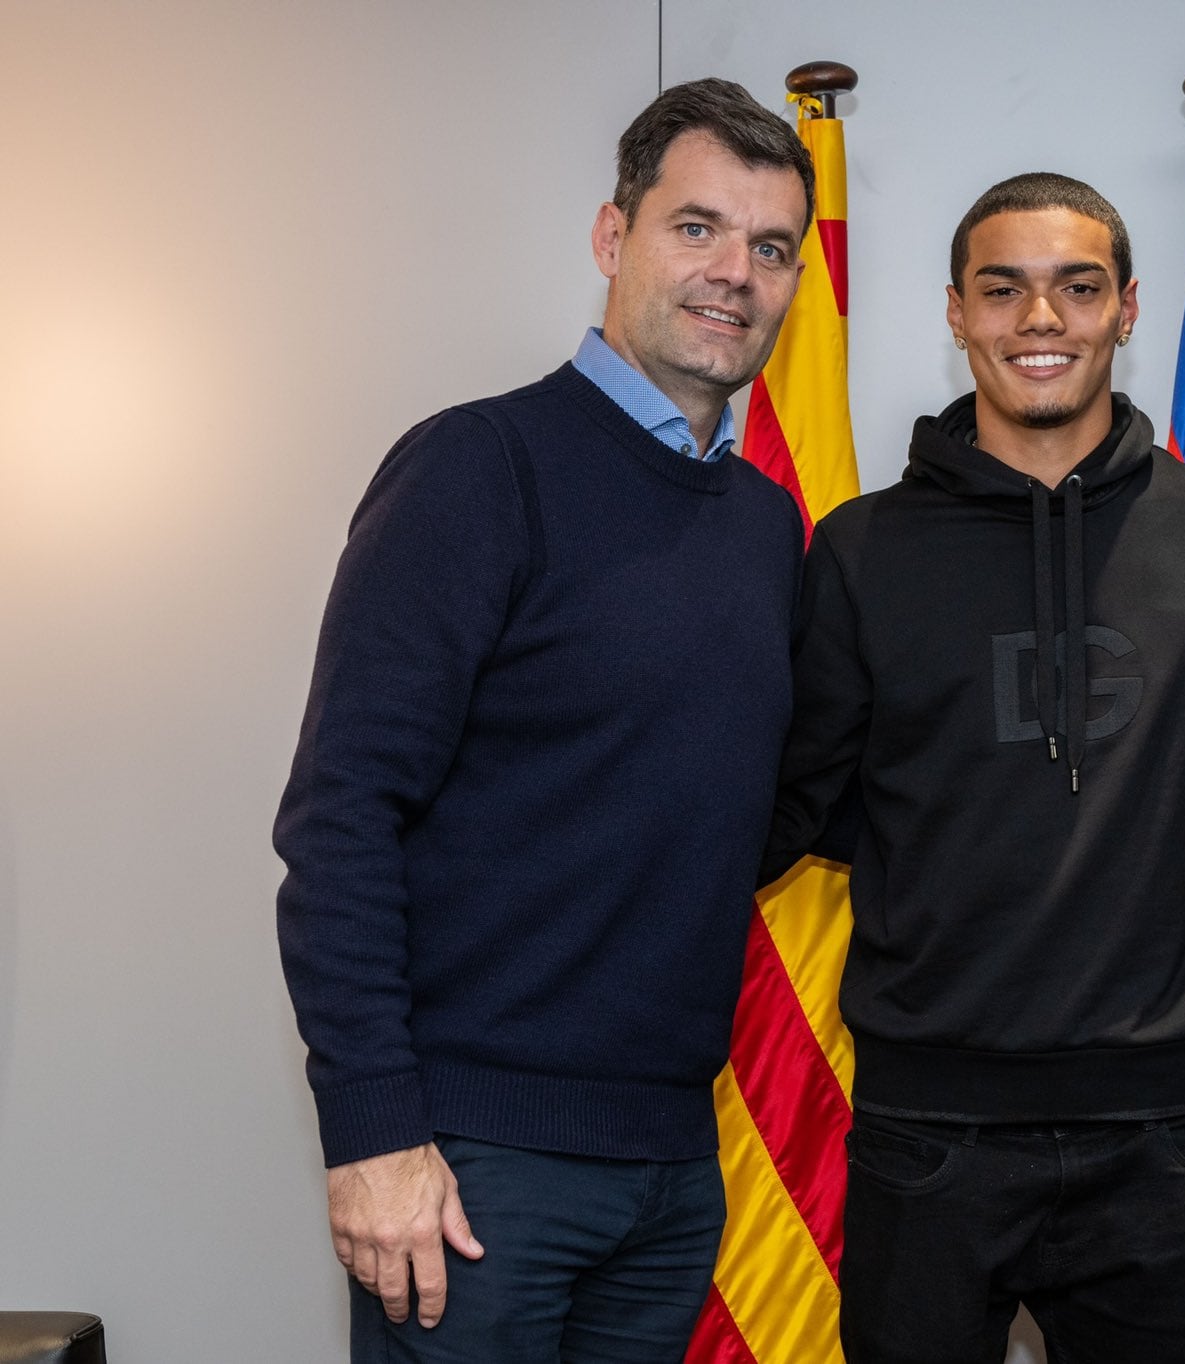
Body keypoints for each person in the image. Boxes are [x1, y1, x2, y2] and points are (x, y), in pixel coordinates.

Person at [274, 78, 812, 1361]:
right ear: (610, 235)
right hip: (471, 1169)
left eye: (770, 247)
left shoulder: (763, 527)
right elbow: (340, 815)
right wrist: (372, 1131)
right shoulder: (478, 466)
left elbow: (739, 808)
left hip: (672, 1169)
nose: (734, 272)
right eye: (696, 228)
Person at [763, 172, 1185, 1363]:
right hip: (925, 1129)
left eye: (1075, 287)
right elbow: (805, 800)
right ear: (954, 311)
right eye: (1002, 290)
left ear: (1128, 308)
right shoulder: (858, 550)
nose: (1038, 319)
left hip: (1152, 1125)